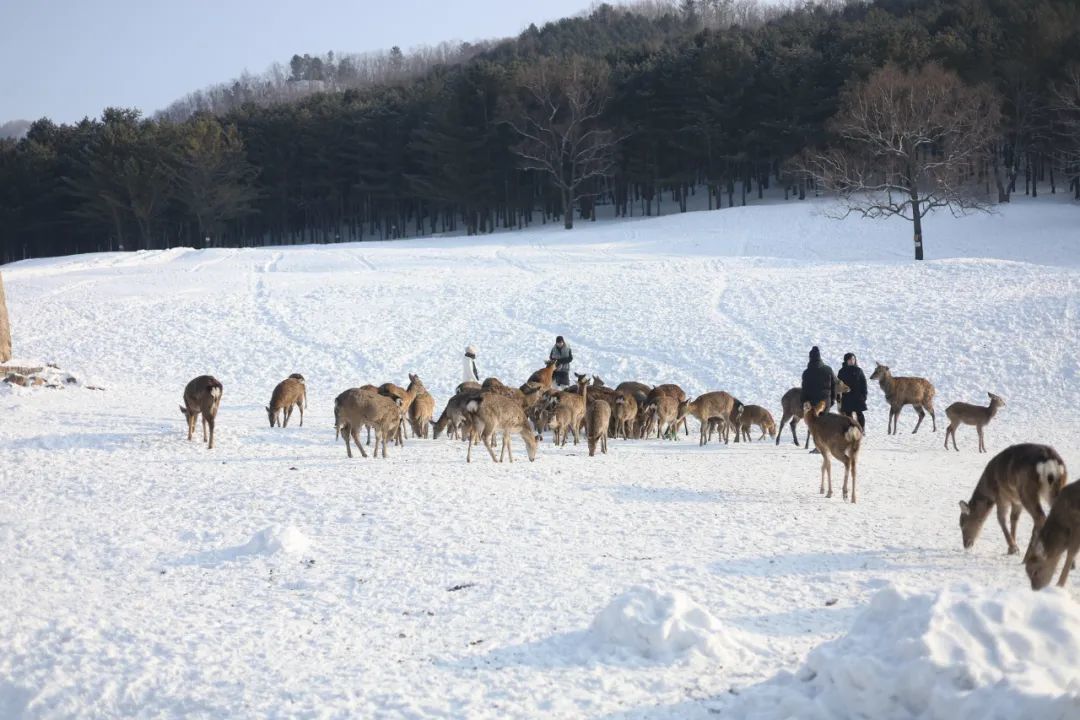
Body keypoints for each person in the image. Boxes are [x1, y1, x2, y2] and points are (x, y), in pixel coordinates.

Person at [801, 345, 837, 453]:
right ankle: (826, 446)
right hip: (825, 401)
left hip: (812, 404)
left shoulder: (807, 373)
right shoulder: (828, 369)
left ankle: (818, 447)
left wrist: (803, 402)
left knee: (815, 427)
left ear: (810, 358)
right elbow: (834, 385)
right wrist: (832, 399)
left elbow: (804, 389)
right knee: (824, 425)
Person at [837, 352, 868, 431]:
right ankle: (851, 430)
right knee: (848, 415)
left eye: (853, 359)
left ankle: (861, 430)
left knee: (859, 414)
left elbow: (864, 384)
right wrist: (839, 397)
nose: (852, 361)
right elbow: (838, 384)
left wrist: (864, 396)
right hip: (846, 397)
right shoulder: (841, 371)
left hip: (858, 397)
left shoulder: (858, 370)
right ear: (846, 360)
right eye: (850, 359)